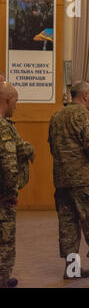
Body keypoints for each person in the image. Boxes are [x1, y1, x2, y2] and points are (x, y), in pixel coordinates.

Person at [48, 82, 89, 280]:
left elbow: (52, 148)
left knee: (68, 225)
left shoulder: (55, 117)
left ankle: (72, 269)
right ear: (86, 96)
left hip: (61, 180)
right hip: (84, 180)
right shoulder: (84, 116)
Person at [0, 82, 34, 288]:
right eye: (16, 101)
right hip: (3, 197)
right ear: (7, 100)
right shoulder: (3, 127)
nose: (17, 106)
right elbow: (9, 165)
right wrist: (11, 192)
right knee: (5, 241)